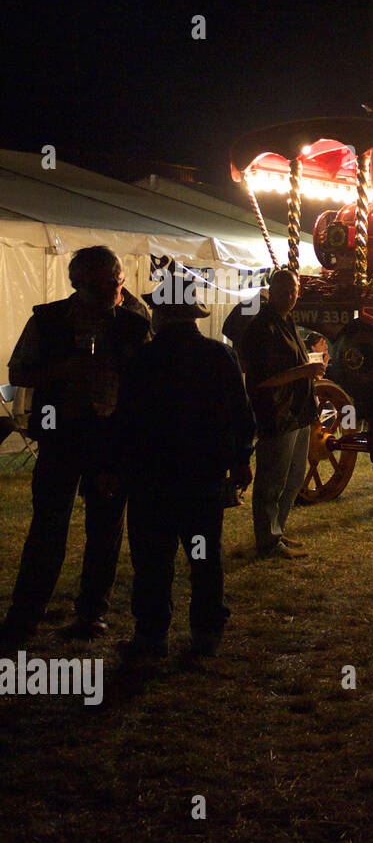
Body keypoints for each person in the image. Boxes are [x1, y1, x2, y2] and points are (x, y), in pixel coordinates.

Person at [1, 246, 151, 647]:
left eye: (115, 284)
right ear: (77, 283)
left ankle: (92, 613)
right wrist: (60, 371)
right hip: (62, 436)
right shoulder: (48, 320)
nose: (110, 293)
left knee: (104, 527)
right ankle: (27, 613)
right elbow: (17, 371)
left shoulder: (133, 322)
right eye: (99, 286)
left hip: (111, 439)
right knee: (48, 525)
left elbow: (147, 381)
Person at [113, 274, 256, 660]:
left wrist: (118, 466)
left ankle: (151, 634)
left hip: (152, 479)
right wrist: (242, 459)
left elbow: (125, 419)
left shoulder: (143, 359)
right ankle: (206, 631)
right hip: (202, 479)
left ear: (161, 314)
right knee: (204, 555)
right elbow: (241, 415)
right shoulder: (219, 355)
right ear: (192, 315)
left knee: (153, 560)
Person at [236, 268, 325, 559]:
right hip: (277, 411)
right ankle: (268, 540)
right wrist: (305, 371)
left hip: (297, 411)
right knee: (272, 480)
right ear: (271, 292)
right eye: (284, 291)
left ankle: (278, 531)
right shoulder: (262, 328)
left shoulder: (288, 322)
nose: (290, 297)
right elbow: (262, 380)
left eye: (294, 291)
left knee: (295, 476)